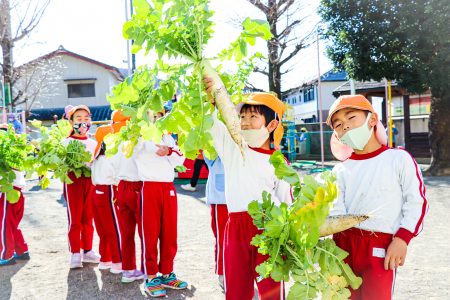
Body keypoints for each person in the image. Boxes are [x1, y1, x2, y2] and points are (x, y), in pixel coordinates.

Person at [326, 95, 428, 300]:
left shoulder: (398, 159)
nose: (344, 126)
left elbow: (416, 201)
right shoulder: (339, 170)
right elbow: (335, 211)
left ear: (372, 120)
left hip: (380, 247)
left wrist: (402, 239)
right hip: (342, 247)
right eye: (338, 124)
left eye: (351, 117)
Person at [204, 78, 292, 300]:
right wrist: (212, 98)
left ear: (271, 125)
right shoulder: (234, 148)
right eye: (242, 116)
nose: (244, 121)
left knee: (271, 290)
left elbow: (287, 201)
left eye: (253, 116)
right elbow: (215, 123)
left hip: (269, 230)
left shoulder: (279, 162)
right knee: (236, 289)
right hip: (235, 228)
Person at [133, 112, 187, 298]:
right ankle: (151, 276)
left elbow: (180, 159)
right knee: (150, 232)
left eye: (158, 115)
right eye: (151, 115)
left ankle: (167, 273)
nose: (155, 118)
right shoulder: (139, 134)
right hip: (149, 188)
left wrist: (169, 150)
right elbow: (131, 152)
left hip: (168, 189)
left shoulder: (167, 136)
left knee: (169, 233)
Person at [63, 105, 100, 269]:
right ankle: (75, 253)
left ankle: (88, 251)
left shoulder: (94, 143)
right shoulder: (65, 143)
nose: (83, 122)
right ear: (71, 122)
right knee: (75, 218)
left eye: (86, 119)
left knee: (88, 218)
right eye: (79, 119)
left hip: (90, 181)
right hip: (73, 181)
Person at [110, 110, 145, 283]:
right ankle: (147, 270)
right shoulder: (137, 139)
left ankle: (128, 270)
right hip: (137, 186)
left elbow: (111, 168)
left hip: (120, 187)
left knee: (126, 232)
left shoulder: (115, 142)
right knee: (145, 231)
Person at [91, 125, 122, 274]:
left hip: (96, 192)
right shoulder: (110, 157)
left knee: (102, 228)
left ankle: (105, 259)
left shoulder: (96, 157)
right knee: (113, 228)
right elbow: (117, 177)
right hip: (108, 190)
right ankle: (118, 261)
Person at [0, 124, 29, 266]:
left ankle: (6, 254)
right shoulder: (15, 152)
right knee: (11, 225)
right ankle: (21, 250)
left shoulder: (9, 153)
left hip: (7, 191)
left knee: (4, 225)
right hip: (16, 191)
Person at [204, 156, 228, 290]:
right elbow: (208, 153)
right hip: (221, 200)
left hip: (240, 197)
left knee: (242, 240)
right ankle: (222, 273)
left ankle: (238, 272)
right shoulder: (214, 143)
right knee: (222, 239)